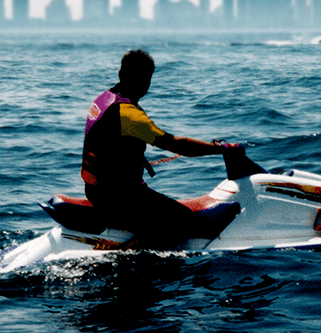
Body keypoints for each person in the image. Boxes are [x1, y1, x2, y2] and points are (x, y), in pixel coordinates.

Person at [81, 49, 241, 247]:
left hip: (97, 189)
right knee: (182, 220)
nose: (143, 83)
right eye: (142, 78)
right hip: (118, 195)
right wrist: (220, 148)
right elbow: (176, 144)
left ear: (120, 73)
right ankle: (124, 257)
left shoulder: (104, 99)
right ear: (144, 81)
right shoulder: (129, 114)